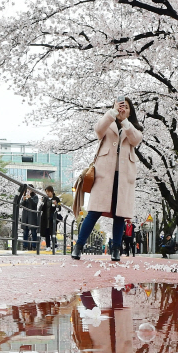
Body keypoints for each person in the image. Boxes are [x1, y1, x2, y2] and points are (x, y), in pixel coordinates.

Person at [71, 97, 143, 263]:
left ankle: (116, 250)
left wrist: (125, 121)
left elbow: (135, 140)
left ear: (131, 110)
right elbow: (98, 130)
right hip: (104, 174)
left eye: (126, 107)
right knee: (94, 211)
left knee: (120, 214)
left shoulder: (133, 127)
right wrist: (112, 113)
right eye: (120, 106)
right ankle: (79, 246)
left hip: (124, 176)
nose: (122, 109)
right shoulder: (108, 121)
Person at [40, 185, 60, 250]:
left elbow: (59, 208)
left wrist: (56, 205)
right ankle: (48, 246)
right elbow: (41, 209)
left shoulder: (56, 199)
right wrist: (42, 202)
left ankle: (55, 245)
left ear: (51, 191)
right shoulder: (45, 199)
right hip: (45, 218)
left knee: (53, 232)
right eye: (46, 192)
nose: (47, 193)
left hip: (52, 218)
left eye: (48, 192)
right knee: (47, 232)